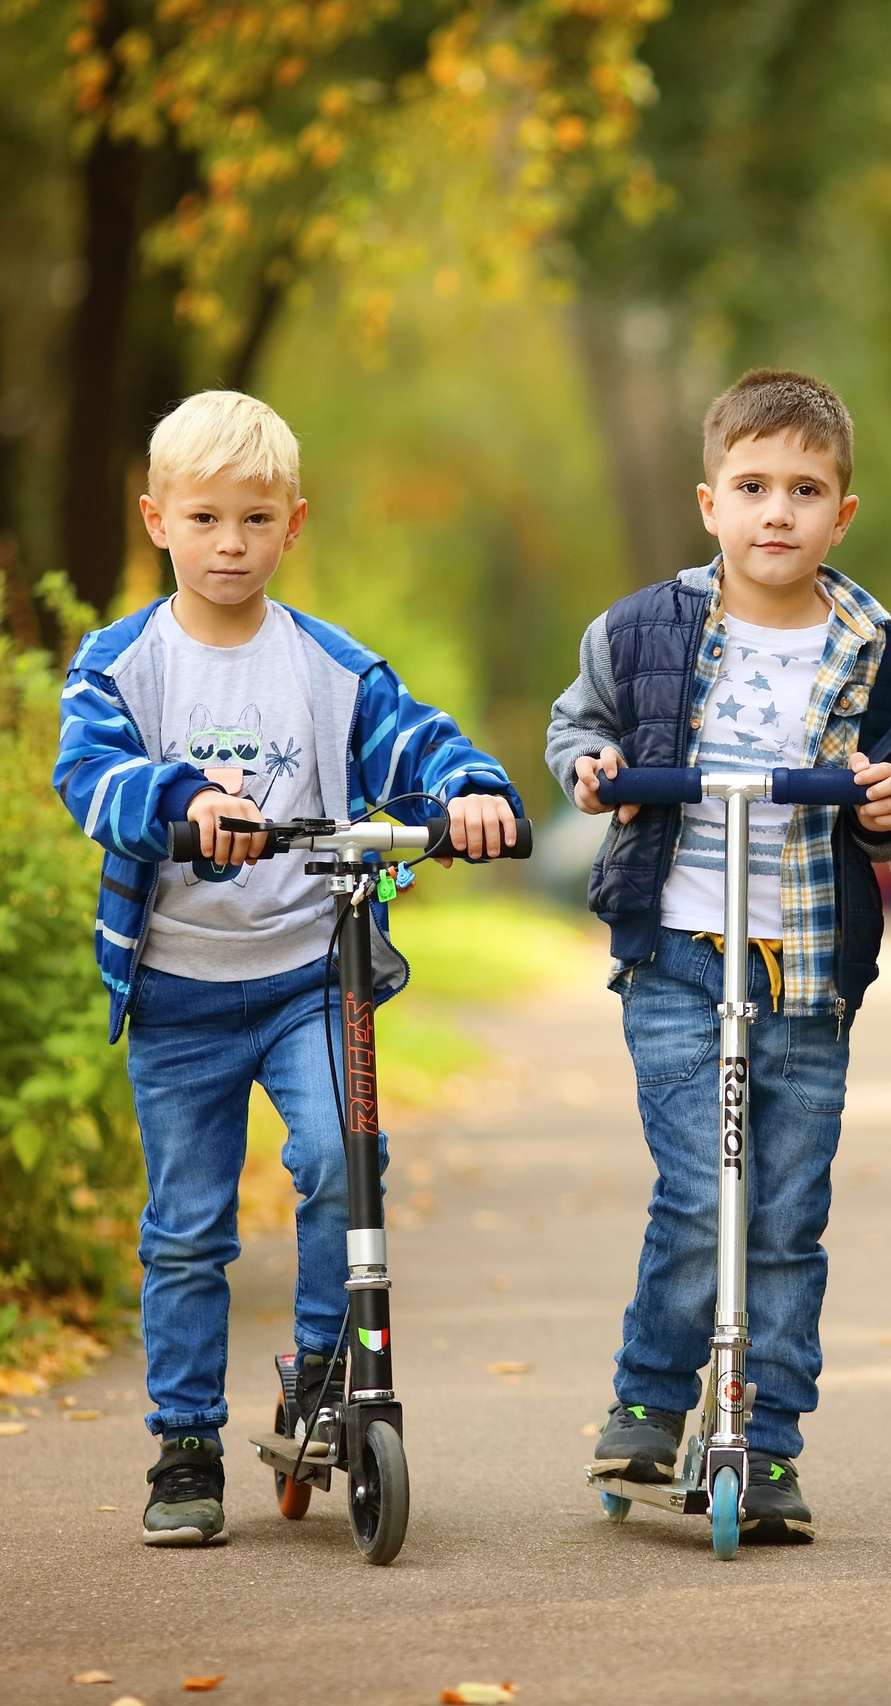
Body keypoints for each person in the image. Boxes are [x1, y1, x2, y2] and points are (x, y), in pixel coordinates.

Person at [53, 391, 522, 1547]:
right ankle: (185, 1442)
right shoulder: (123, 663)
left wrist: (468, 792)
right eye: (205, 518)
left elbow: (416, 740)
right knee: (188, 1225)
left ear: (293, 524)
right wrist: (185, 798)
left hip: (309, 972)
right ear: (155, 518)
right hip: (178, 992)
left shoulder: (326, 665)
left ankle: (325, 1365)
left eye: (255, 520)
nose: (229, 544)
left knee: (336, 1159)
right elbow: (92, 776)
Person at [546, 368, 891, 1544]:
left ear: (841, 514)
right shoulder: (643, 629)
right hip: (678, 950)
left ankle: (766, 1438)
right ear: (709, 500)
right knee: (700, 1187)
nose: (779, 512)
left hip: (806, 967)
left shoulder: (879, 652)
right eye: (754, 487)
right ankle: (652, 1398)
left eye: (805, 490)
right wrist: (590, 770)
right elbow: (580, 726)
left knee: (785, 1211)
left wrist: (882, 809)